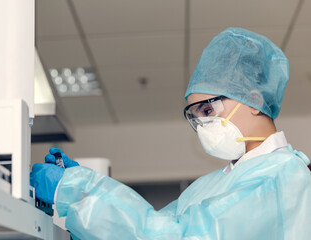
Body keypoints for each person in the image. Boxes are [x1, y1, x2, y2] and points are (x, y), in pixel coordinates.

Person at [30, 28, 311, 240]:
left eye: (208, 110)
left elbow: (175, 236)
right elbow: (147, 228)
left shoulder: (283, 177)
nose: (202, 125)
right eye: (195, 116)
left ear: (254, 101)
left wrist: (78, 192)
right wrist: (78, 206)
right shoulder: (214, 183)